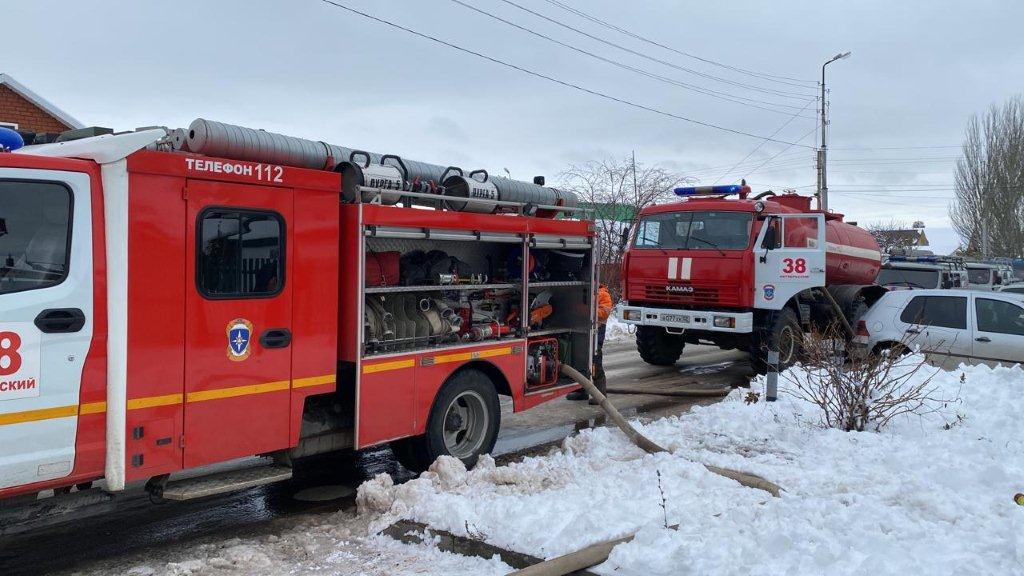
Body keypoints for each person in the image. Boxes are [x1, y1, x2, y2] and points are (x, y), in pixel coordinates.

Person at [568, 283, 613, 404]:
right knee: (580, 363)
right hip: (583, 333)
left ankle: (600, 394)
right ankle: (581, 391)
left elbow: (604, 312)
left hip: (596, 335)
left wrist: (587, 310)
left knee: (595, 364)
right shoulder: (586, 293)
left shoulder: (603, 294)